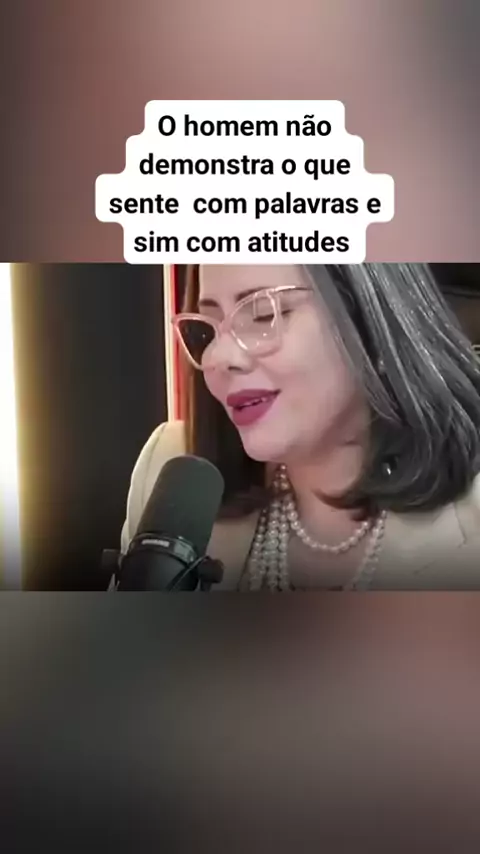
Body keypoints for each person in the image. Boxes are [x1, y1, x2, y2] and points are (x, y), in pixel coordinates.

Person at [121, 263, 480, 591]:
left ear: (373, 328)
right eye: (208, 329)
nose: (219, 357)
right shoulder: (169, 472)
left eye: (262, 315)